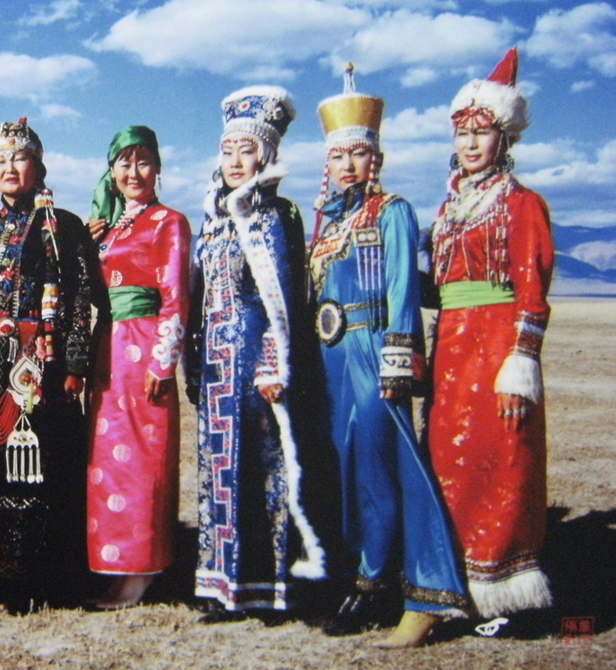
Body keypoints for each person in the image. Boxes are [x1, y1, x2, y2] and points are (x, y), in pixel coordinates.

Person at [308, 67, 469, 647]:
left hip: (374, 349)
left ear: (375, 158)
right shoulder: (328, 224)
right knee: (343, 469)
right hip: (331, 359)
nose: (348, 165)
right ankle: (358, 572)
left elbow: (402, 289)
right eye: (338, 156)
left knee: (378, 468)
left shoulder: (393, 211)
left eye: (358, 154)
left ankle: (383, 583)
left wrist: (398, 363)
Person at [0, 118, 99, 612]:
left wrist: (74, 362)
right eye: (0, 159)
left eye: (20, 157)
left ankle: (36, 575)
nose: (9, 167)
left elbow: (80, 298)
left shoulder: (62, 225)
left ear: (38, 166)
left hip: (35, 366)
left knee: (33, 467)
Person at [184, 87, 326, 616]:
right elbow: (199, 295)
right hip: (216, 360)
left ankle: (268, 586)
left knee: (260, 467)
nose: (236, 162)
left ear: (265, 156)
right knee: (218, 467)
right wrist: (193, 360)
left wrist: (272, 361)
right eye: (228, 152)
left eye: (247, 151)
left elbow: (283, 295)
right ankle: (222, 584)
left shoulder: (275, 214)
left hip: (254, 360)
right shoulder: (212, 218)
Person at [427, 49, 554, 633]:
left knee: (502, 462)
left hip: (497, 348)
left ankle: (506, 595)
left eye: (482, 132)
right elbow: (438, 287)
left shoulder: (522, 204)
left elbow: (532, 289)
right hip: (451, 350)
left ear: (505, 138)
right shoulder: (450, 207)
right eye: (463, 133)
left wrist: (520, 361)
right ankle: (457, 586)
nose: (471, 143)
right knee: (450, 464)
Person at [83, 126, 190, 610]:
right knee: (107, 461)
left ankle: (142, 568)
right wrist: (86, 246)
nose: (133, 172)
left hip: (144, 346)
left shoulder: (170, 222)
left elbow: (176, 296)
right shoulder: (108, 228)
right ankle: (113, 562)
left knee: (144, 459)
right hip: (107, 347)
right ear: (111, 171)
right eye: (124, 163)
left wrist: (163, 361)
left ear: (158, 168)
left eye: (143, 161)